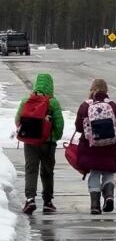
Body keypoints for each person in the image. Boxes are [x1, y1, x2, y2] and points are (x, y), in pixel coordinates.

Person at [16, 73, 64, 214]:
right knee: (47, 172)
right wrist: (54, 136)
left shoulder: (27, 100)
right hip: (48, 143)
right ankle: (48, 202)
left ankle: (30, 199)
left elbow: (18, 120)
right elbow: (59, 124)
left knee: (31, 170)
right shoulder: (53, 102)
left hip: (30, 141)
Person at [75, 79, 116, 215]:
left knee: (95, 173)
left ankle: (95, 205)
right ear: (106, 90)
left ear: (91, 89)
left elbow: (79, 128)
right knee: (108, 173)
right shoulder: (112, 106)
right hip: (110, 146)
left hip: (91, 147)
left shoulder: (85, 106)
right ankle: (108, 196)